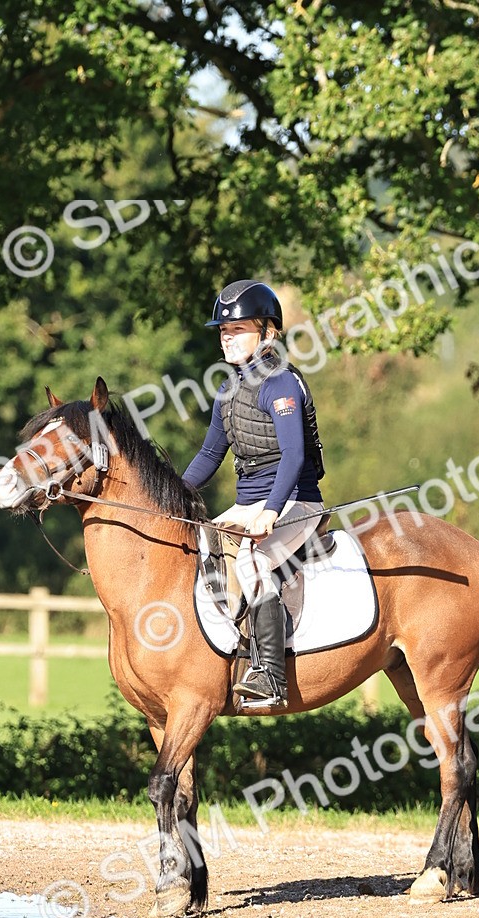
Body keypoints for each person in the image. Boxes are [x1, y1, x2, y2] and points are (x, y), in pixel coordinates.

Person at [182, 279, 325, 712]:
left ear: (267, 331)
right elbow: (209, 454)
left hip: (295, 501)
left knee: (253, 559)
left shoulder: (280, 383)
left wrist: (270, 512)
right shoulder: (228, 391)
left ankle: (269, 676)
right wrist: (171, 497)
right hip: (248, 505)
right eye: (223, 331)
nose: (226, 338)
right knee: (198, 543)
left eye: (237, 330)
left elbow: (294, 455)